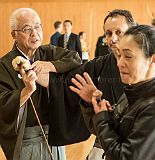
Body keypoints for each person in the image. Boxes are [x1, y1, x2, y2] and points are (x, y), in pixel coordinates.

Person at [37, 9, 136, 160]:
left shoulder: (150, 66)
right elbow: (67, 82)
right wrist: (38, 71)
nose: (113, 38)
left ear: (133, 32)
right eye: (108, 33)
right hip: (105, 144)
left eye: (119, 32)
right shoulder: (102, 64)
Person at [0, 8, 82, 160]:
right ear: (14, 34)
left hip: (54, 136)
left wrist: (50, 66)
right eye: (27, 29)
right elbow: (2, 103)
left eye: (37, 26)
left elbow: (75, 58)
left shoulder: (48, 53)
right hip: (27, 141)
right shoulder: (3, 65)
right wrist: (27, 91)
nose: (34, 33)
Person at [71, 24, 155, 160]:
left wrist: (102, 117)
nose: (120, 63)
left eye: (128, 56)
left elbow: (124, 156)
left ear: (152, 60)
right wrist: (94, 105)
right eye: (119, 56)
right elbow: (111, 132)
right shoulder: (132, 91)